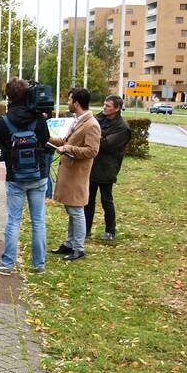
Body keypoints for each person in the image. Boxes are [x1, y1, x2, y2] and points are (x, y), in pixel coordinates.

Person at [0, 78, 52, 276]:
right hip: (38, 175)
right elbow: (45, 140)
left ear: (8, 96)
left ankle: (7, 263)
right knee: (38, 220)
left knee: (13, 220)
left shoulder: (2, 122)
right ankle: (39, 264)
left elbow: (3, 145)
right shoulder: (39, 119)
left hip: (15, 176)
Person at [49, 87, 101, 261]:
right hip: (69, 172)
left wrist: (69, 148)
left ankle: (78, 247)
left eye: (70, 100)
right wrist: (47, 137)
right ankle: (70, 243)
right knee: (71, 208)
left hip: (77, 173)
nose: (68, 102)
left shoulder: (92, 124)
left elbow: (92, 151)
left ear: (77, 103)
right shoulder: (78, 120)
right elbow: (65, 141)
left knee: (76, 210)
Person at [85, 94, 131, 241]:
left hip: (107, 168)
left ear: (117, 109)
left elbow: (107, 144)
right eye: (104, 104)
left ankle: (110, 230)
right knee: (88, 200)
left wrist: (93, 136)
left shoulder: (122, 127)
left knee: (106, 200)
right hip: (92, 165)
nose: (104, 107)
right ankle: (86, 229)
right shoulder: (99, 118)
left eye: (108, 106)